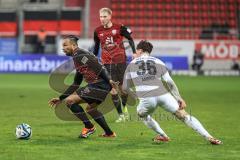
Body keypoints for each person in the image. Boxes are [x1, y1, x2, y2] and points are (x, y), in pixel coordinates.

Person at [122, 40, 222, 145]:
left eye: (136, 51)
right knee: (183, 115)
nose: (135, 53)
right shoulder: (158, 61)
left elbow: (125, 87)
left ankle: (163, 136)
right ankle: (210, 137)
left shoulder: (131, 64)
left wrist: (135, 95)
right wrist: (179, 98)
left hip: (147, 98)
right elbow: (170, 83)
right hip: (163, 94)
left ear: (140, 50)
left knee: (142, 114)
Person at [48, 35, 117, 138]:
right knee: (91, 109)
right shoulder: (78, 58)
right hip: (100, 85)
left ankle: (89, 127)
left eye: (65, 45)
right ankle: (109, 133)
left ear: (73, 45)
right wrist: (60, 98)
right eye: (62, 46)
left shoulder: (79, 54)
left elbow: (97, 66)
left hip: (99, 85)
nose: (63, 48)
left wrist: (109, 80)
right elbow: (76, 83)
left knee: (70, 101)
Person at [93, 7, 136, 122]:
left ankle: (125, 107)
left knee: (123, 90)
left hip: (121, 62)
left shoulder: (119, 27)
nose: (102, 19)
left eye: (104, 16)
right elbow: (96, 46)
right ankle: (121, 114)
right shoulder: (97, 31)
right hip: (107, 64)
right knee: (113, 90)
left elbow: (130, 38)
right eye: (101, 16)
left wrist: (135, 52)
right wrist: (92, 58)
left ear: (110, 16)